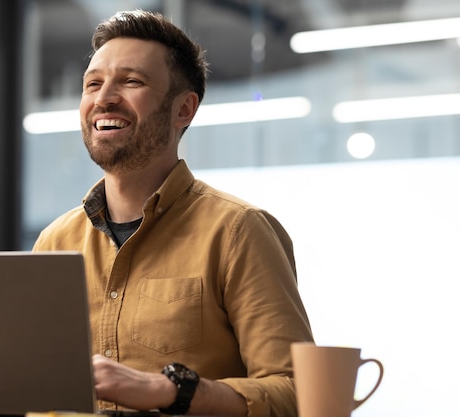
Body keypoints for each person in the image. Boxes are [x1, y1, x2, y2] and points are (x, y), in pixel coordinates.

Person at [32, 9, 314, 417]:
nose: (104, 98)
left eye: (131, 81)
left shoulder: (238, 230)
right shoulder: (55, 242)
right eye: (92, 84)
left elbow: (295, 392)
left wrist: (169, 391)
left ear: (184, 109)